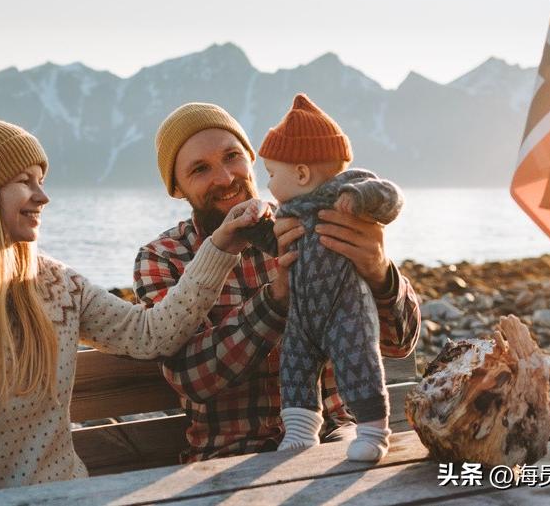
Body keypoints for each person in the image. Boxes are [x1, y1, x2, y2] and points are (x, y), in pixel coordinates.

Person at [0, 110, 265, 500]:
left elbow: (150, 335)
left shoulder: (57, 284)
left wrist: (219, 247)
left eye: (41, 181)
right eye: (26, 182)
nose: (43, 196)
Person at [134, 102, 421, 463]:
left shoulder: (318, 219)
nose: (225, 177)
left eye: (232, 156)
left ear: (252, 158)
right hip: (229, 457)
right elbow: (191, 376)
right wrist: (276, 301)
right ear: (177, 187)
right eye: (200, 169)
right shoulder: (164, 257)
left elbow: (401, 344)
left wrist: (378, 270)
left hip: (336, 441)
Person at [260, 93, 404, 462]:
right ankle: (299, 431)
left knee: (359, 360)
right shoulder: (283, 213)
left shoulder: (347, 189)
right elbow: (265, 240)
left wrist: (360, 204)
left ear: (302, 173)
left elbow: (389, 196)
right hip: (302, 317)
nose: (269, 186)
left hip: (345, 308)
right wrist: (242, 233)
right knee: (293, 364)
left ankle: (373, 432)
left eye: (272, 175)